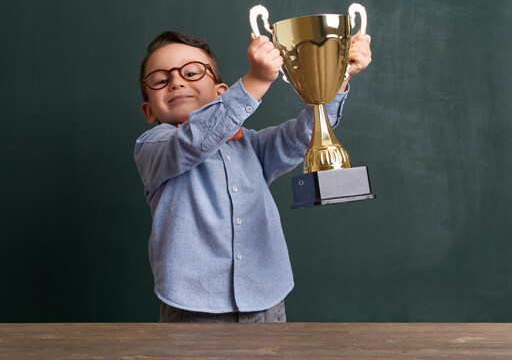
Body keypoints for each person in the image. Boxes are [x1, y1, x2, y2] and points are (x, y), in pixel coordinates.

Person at [134, 30, 372, 322]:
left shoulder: (252, 144)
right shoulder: (153, 146)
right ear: (148, 111)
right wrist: (255, 82)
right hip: (194, 308)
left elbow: (304, 135)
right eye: (160, 80)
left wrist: (337, 78)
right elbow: (193, 141)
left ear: (222, 92)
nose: (177, 81)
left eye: (192, 72)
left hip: (266, 301)